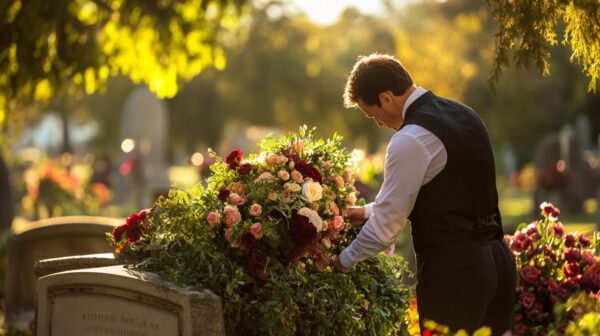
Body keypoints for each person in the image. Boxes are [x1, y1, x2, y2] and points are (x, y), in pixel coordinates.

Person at [332, 53, 517, 335]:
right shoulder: (465, 113)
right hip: (498, 263)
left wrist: (341, 262)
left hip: (456, 274)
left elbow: (385, 231)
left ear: (385, 98)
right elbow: (445, 190)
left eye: (373, 113)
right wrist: (367, 211)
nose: (379, 123)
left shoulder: (410, 139)